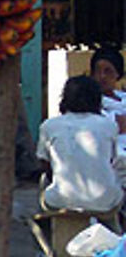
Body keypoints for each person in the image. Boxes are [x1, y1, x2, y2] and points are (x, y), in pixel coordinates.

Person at [36, 75, 123, 212]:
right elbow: (111, 160)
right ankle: (114, 228)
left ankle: (52, 227)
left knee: (44, 185)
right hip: (105, 202)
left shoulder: (49, 126)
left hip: (61, 201)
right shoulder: (109, 125)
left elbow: (45, 164)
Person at [89, 47, 126, 135]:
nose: (102, 76)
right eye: (98, 71)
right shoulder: (90, 103)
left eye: (108, 71)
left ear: (118, 74)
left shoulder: (123, 97)